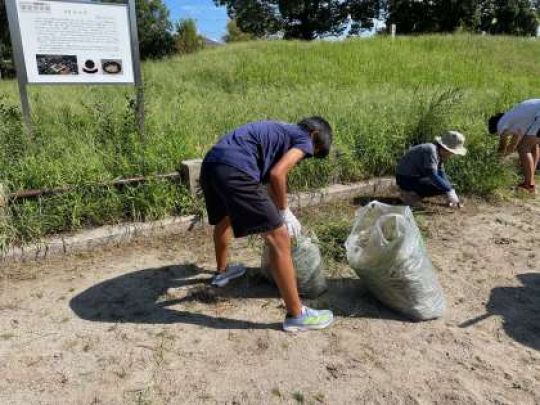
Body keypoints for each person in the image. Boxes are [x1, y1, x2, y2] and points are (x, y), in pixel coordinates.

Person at [199, 117, 334, 332]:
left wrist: (278, 207)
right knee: (279, 237)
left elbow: (273, 183)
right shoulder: (305, 139)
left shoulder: (281, 131)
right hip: (236, 168)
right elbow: (277, 174)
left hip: (212, 164)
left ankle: (222, 272)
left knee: (225, 218)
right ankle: (297, 314)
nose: (303, 158)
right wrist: (284, 212)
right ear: (314, 136)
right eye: (311, 155)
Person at [396, 131, 467, 208]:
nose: (452, 155)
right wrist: (448, 190)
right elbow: (432, 175)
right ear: (447, 149)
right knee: (439, 186)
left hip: (415, 177)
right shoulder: (431, 151)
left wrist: (450, 189)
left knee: (446, 183)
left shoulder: (438, 153)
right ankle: (408, 194)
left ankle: (414, 194)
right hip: (405, 178)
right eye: (453, 153)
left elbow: (441, 173)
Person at [488, 99, 540, 193]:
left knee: (523, 148)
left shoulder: (501, 124)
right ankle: (530, 179)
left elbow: (503, 148)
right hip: (537, 114)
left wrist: (495, 162)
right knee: (533, 145)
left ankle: (528, 185)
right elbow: (513, 144)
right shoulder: (513, 118)